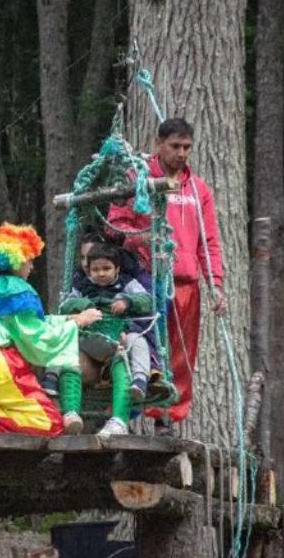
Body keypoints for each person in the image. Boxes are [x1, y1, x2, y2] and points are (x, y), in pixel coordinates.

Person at [108, 117, 225, 434]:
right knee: (138, 346)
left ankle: (166, 419)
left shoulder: (198, 188)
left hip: (186, 285)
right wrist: (142, 238)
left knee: (180, 355)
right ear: (158, 143)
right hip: (147, 281)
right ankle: (123, 417)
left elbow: (208, 242)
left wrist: (215, 285)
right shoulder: (139, 178)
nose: (182, 153)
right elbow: (115, 225)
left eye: (187, 147)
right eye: (175, 146)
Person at [0, 224, 102, 436]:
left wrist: (65, 318)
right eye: (29, 260)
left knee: (12, 408)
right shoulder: (17, 289)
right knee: (49, 423)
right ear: (17, 261)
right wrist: (79, 322)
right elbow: (37, 337)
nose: (31, 267)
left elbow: (11, 324)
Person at [58, 241, 157, 438]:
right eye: (95, 269)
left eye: (106, 268)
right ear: (89, 270)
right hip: (87, 339)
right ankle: (70, 413)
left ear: (117, 268)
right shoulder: (82, 285)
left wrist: (127, 302)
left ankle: (120, 418)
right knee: (69, 359)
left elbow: (147, 301)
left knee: (125, 360)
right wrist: (83, 304)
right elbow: (65, 306)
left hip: (115, 341)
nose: (101, 274)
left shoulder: (127, 283)